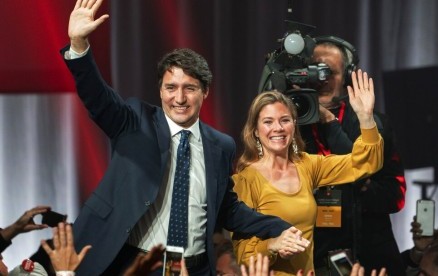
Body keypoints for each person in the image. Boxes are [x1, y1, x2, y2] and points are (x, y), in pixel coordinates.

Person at [63, 0, 307, 275]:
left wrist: (280, 227)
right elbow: (97, 97)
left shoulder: (221, 145)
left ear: (204, 93)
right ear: (160, 91)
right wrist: (79, 46)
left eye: (189, 88)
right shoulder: (134, 120)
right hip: (136, 265)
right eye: (171, 88)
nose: (179, 98)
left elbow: (228, 209)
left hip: (195, 268)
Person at [232, 68, 384, 274]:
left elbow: (366, 163)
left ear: (294, 126)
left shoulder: (307, 165)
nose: (278, 128)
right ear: (255, 131)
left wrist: (366, 118)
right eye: (268, 122)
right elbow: (243, 256)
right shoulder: (245, 180)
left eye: (285, 120)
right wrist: (273, 245)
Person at [297, 35, 406, 275]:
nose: (321, 79)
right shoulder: (289, 124)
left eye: (330, 72)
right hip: (311, 255)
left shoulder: (372, 124)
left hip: (367, 255)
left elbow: (395, 197)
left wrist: (329, 123)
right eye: (315, 71)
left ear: (347, 76)